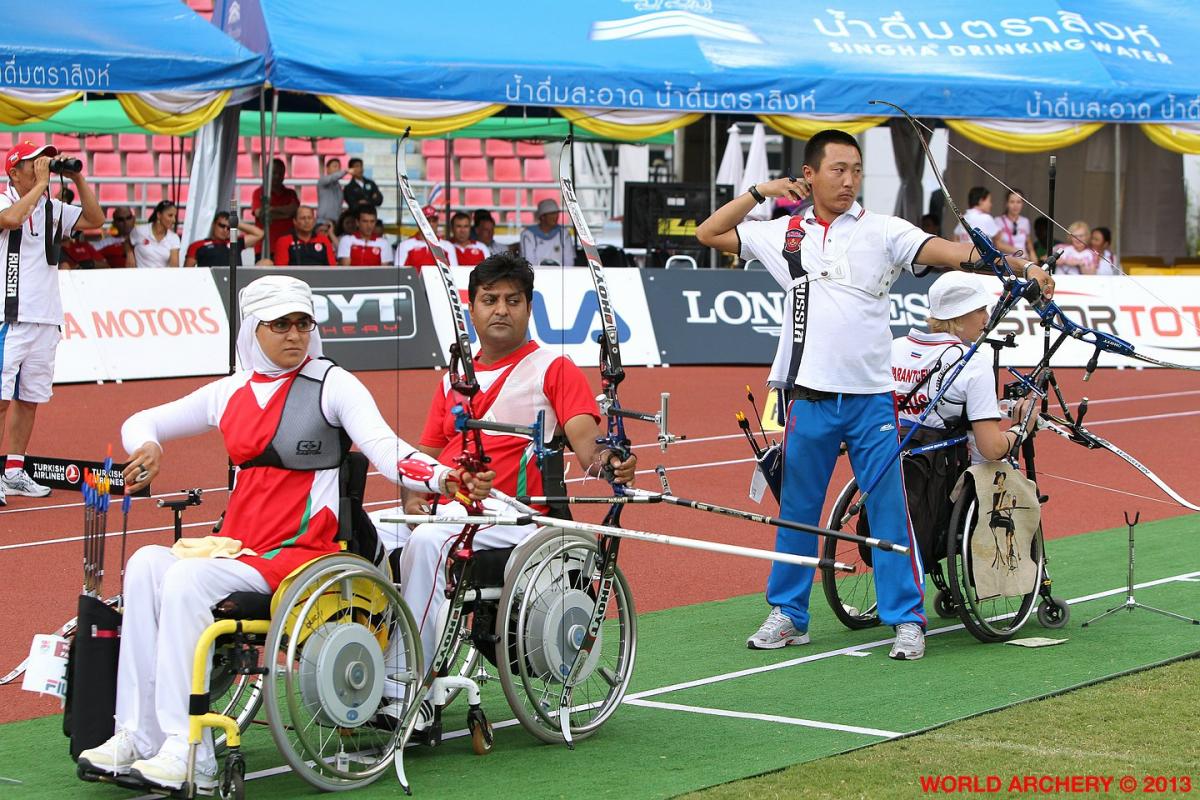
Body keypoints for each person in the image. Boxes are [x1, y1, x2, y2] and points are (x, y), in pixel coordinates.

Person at [76, 275, 492, 792]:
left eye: (302, 324)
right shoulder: (230, 391)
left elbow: (386, 448)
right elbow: (141, 420)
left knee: (185, 582)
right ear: (254, 330)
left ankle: (191, 752)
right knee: (144, 565)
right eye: (279, 326)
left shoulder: (331, 384)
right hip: (239, 547)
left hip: (301, 556)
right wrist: (148, 445)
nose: (294, 336)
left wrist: (443, 476)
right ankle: (136, 735)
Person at [695, 129, 1053, 661]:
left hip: (868, 400)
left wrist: (1017, 266)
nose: (849, 180)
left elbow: (953, 252)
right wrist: (764, 191)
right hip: (808, 399)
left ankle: (906, 619)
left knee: (890, 507)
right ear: (809, 176)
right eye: (837, 169)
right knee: (797, 510)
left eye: (857, 170)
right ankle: (790, 614)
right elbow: (709, 233)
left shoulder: (884, 231)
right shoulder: (784, 233)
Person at [370, 252, 635, 721]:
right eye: (489, 299)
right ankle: (361, 662)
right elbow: (428, 454)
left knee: (431, 540)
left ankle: (404, 689)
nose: (501, 310)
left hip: (517, 515)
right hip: (452, 506)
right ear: (471, 307)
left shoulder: (553, 368)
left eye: (513, 300)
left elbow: (586, 445)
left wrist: (612, 460)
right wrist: (413, 489)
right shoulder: (457, 376)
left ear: (529, 308)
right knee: (366, 532)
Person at [0, 141, 103, 502]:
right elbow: (11, 219)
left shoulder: (51, 207)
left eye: (44, 161)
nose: (42, 166)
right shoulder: (3, 199)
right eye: (33, 163)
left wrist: (77, 177)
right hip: (9, 317)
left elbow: (95, 221)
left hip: (45, 317)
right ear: (14, 171)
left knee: (29, 399)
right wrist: (43, 186)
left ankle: (14, 469)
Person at [893, 272, 1033, 465]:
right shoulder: (972, 362)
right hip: (940, 477)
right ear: (958, 314)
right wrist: (1021, 427)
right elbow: (992, 449)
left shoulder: (893, 348)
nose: (987, 318)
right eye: (980, 310)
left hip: (888, 463)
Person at [252, 158, 300, 257]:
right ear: (267, 173)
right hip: (265, 246)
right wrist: (286, 213)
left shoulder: (291, 193)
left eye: (280, 173)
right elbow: (260, 214)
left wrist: (272, 209)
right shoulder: (259, 192)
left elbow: (294, 210)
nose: (277, 176)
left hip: (288, 246)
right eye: (273, 173)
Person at [183, 211, 263, 267]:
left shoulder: (235, 242)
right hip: (210, 284)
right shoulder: (198, 245)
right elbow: (188, 271)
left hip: (234, 285)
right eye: (221, 226)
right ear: (213, 224)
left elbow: (259, 234)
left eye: (229, 228)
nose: (225, 230)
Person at [394, 205, 457, 271]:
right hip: (414, 281)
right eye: (427, 220)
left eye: (434, 220)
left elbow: (455, 273)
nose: (431, 224)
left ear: (437, 222)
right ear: (419, 222)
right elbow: (399, 275)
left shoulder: (448, 246)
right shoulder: (404, 246)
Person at [520, 198, 575, 266]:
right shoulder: (528, 234)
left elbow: (569, 261)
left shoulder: (564, 233)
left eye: (556, 213)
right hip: (536, 275)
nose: (556, 216)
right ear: (542, 217)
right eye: (552, 213)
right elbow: (529, 262)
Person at [128, 200, 180, 268]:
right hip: (140, 277)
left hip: (162, 278)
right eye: (170, 215)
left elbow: (174, 267)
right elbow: (127, 241)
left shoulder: (174, 238)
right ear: (159, 215)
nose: (174, 220)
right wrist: (129, 253)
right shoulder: (139, 231)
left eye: (175, 216)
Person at [994, 189, 1032, 257]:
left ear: (1022, 203)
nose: (1015, 205)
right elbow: (997, 244)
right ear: (1007, 204)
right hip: (1006, 261)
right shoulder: (998, 221)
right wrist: (1018, 251)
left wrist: (1033, 258)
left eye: (1018, 202)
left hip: (1023, 261)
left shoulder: (1025, 221)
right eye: (1012, 202)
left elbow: (1028, 244)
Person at [316, 157, 347, 226]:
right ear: (327, 169)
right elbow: (333, 177)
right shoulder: (322, 180)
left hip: (336, 221)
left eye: (339, 167)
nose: (337, 169)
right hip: (323, 221)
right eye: (334, 166)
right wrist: (346, 171)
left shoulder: (338, 186)